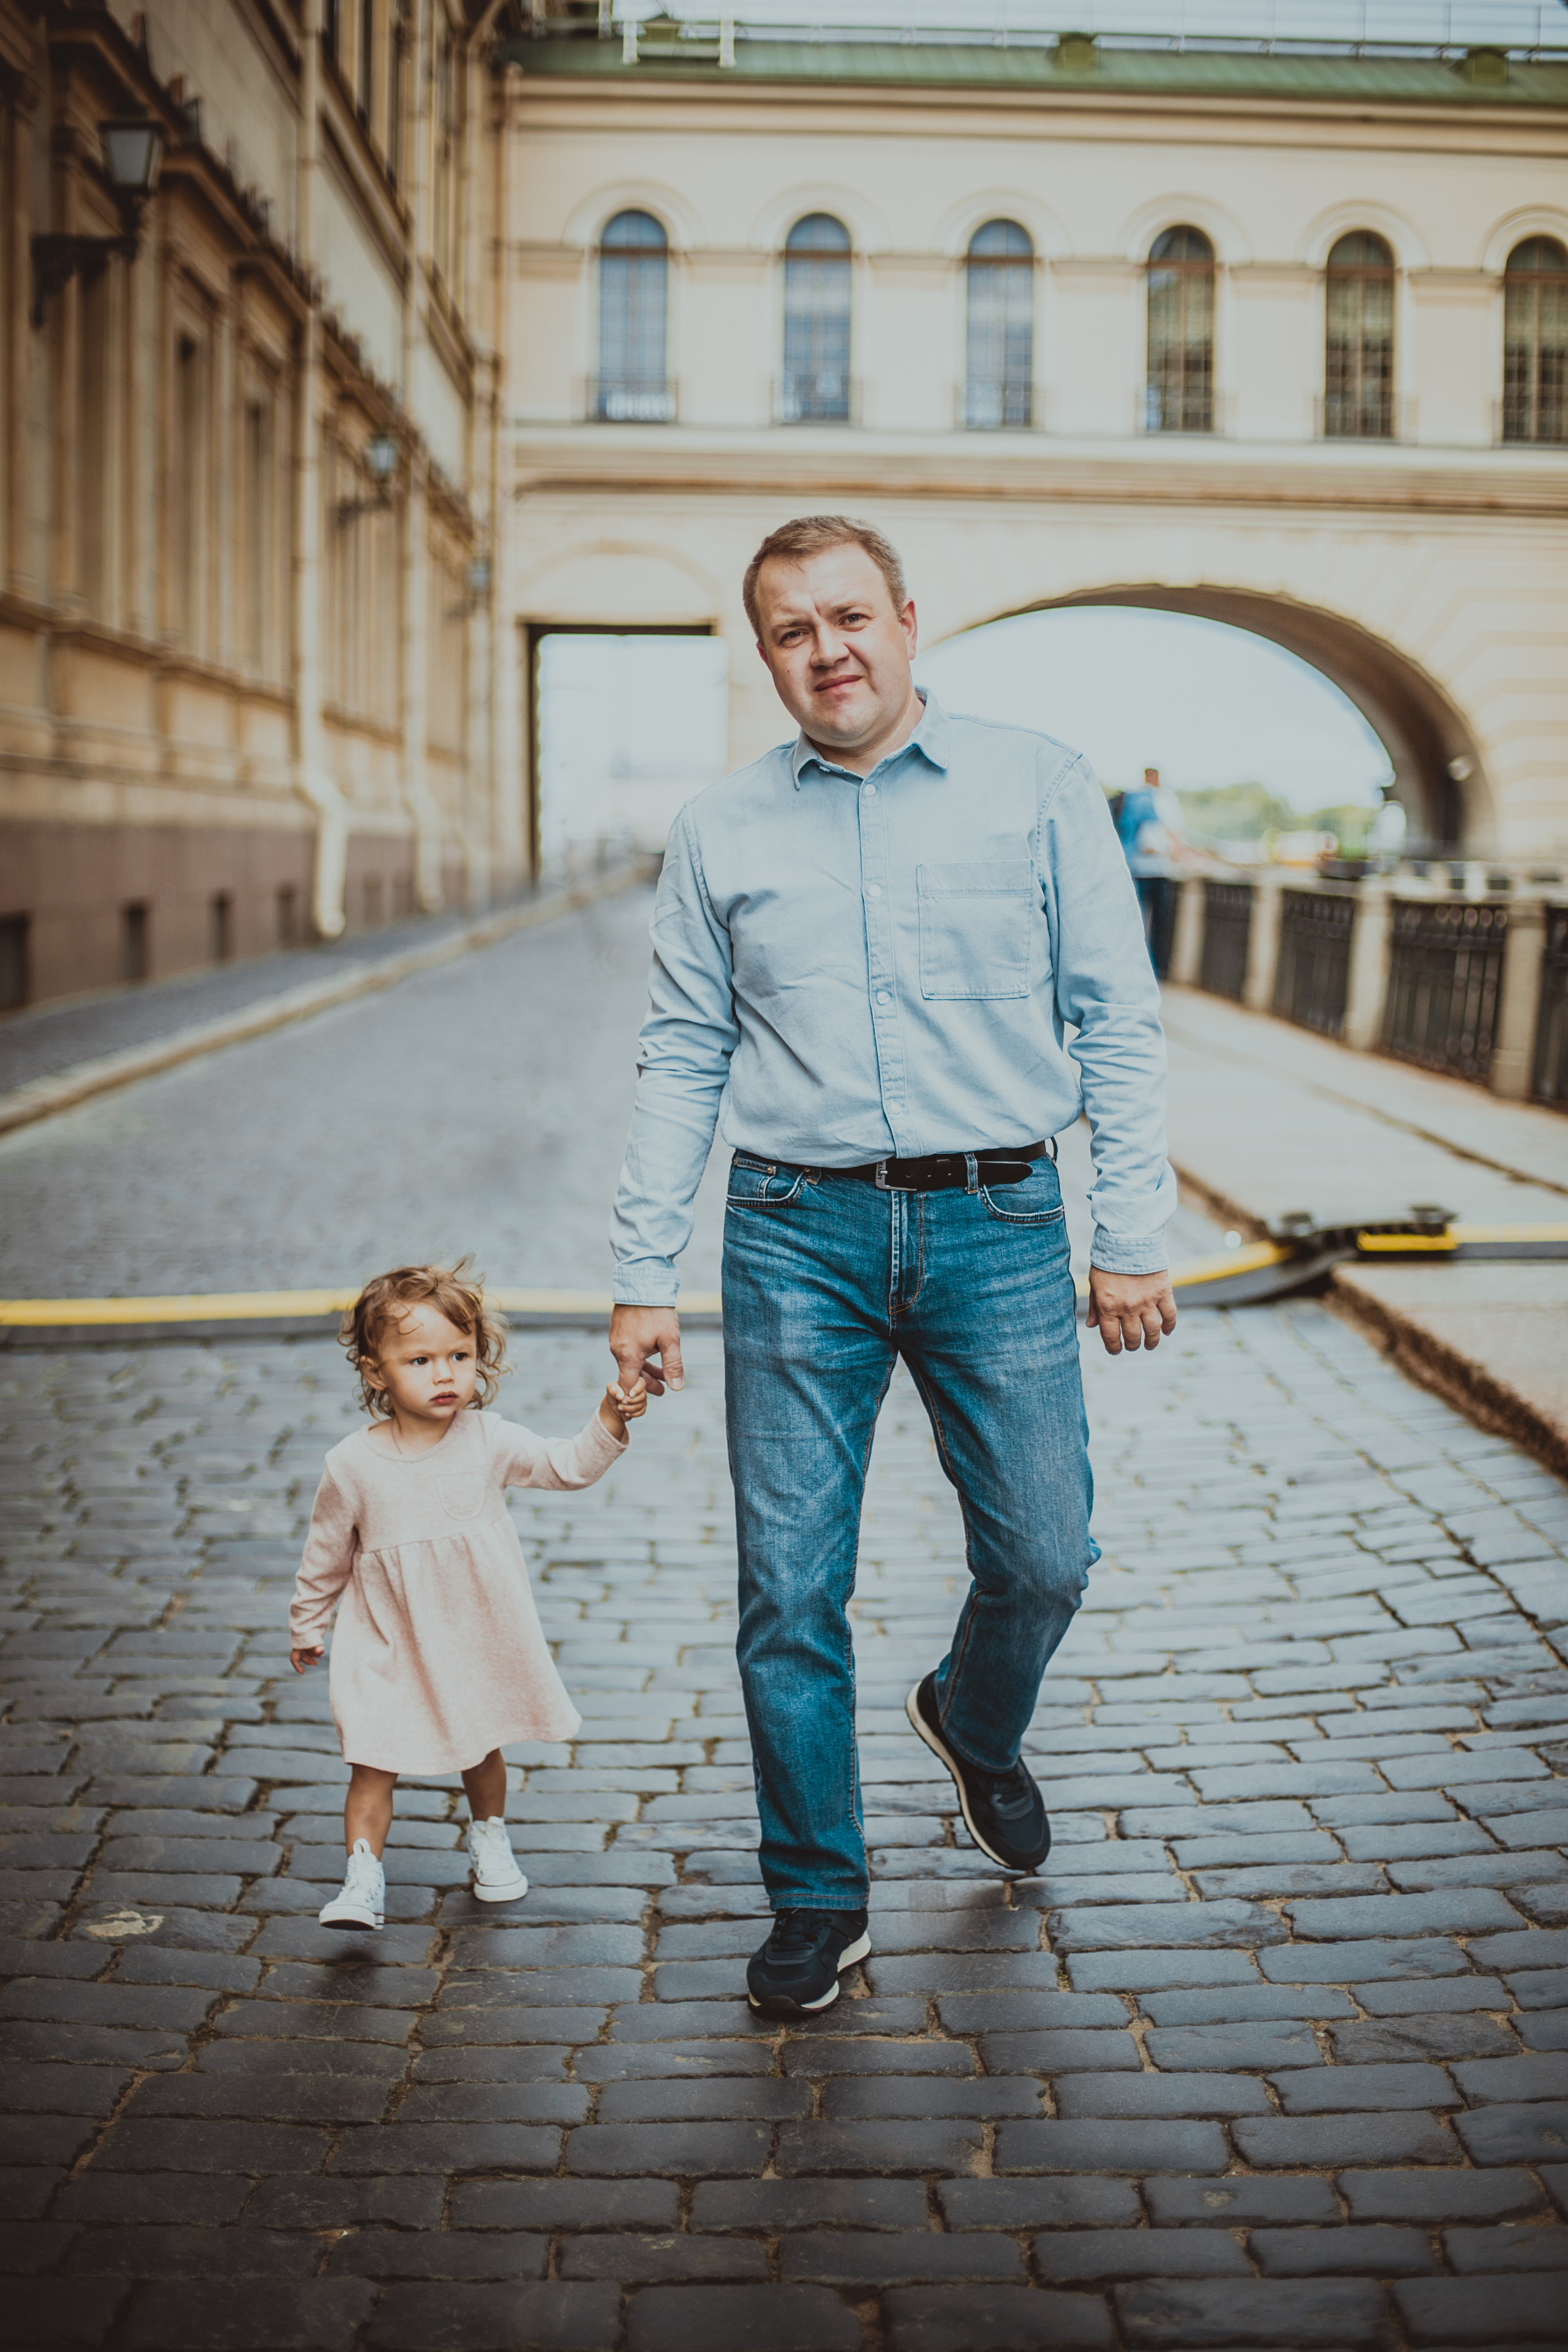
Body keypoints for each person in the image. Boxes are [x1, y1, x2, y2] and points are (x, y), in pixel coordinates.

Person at [608, 514, 1177, 2016]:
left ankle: (971, 1719)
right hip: (793, 1231)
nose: (826, 648)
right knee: (786, 1586)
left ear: (908, 620)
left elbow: (1114, 1020)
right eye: (791, 628)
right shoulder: (719, 828)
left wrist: (1128, 1237)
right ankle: (816, 1895)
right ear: (766, 653)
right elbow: (680, 1049)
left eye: (848, 615)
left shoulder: (1035, 786)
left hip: (1001, 1223)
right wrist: (638, 1271)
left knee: (1045, 1552)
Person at [290, 1261, 646, 1931]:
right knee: (372, 1760)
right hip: (389, 1642)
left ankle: (489, 1839)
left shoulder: (488, 1440)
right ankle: (362, 1878)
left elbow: (566, 1466)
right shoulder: (352, 1465)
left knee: (482, 1750)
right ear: (376, 1373)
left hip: (473, 1634)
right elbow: (325, 1556)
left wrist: (607, 1418)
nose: (446, 1374)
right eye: (420, 1360)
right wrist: (307, 1624)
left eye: (459, 1355)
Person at [1117, 764, 1188, 979]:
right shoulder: (1149, 800)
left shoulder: (1131, 798)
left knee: (1136, 920)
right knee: (1154, 923)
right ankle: (1150, 969)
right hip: (1153, 869)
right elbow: (1166, 831)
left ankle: (1136, 967)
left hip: (1133, 868)